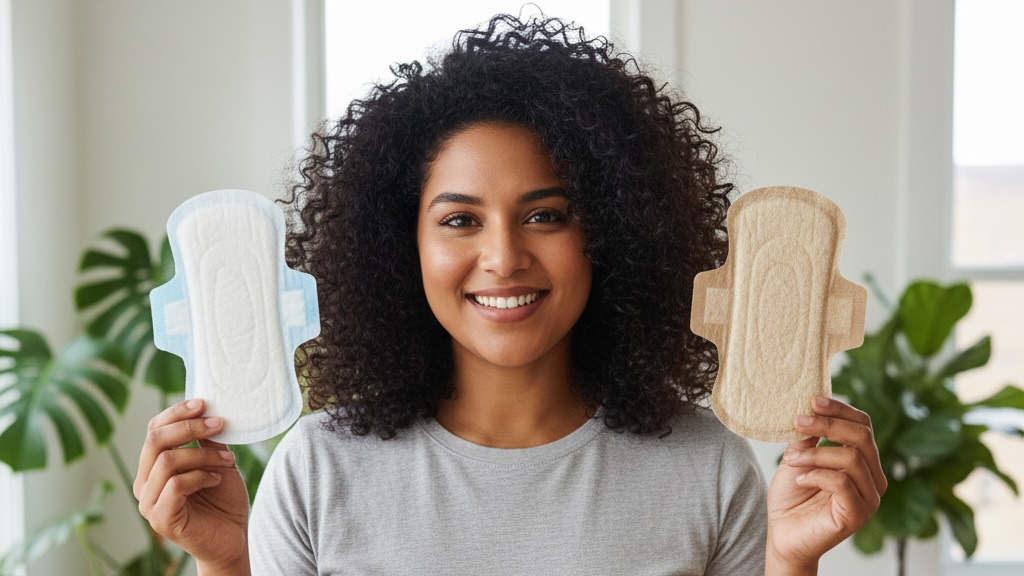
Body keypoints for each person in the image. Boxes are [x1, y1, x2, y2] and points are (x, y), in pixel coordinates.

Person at [133, 13, 886, 575]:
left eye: (545, 215)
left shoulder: (707, 467)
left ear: (612, 233)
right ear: (404, 247)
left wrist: (791, 562)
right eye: (460, 219)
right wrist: (224, 562)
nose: (503, 256)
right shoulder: (317, 469)